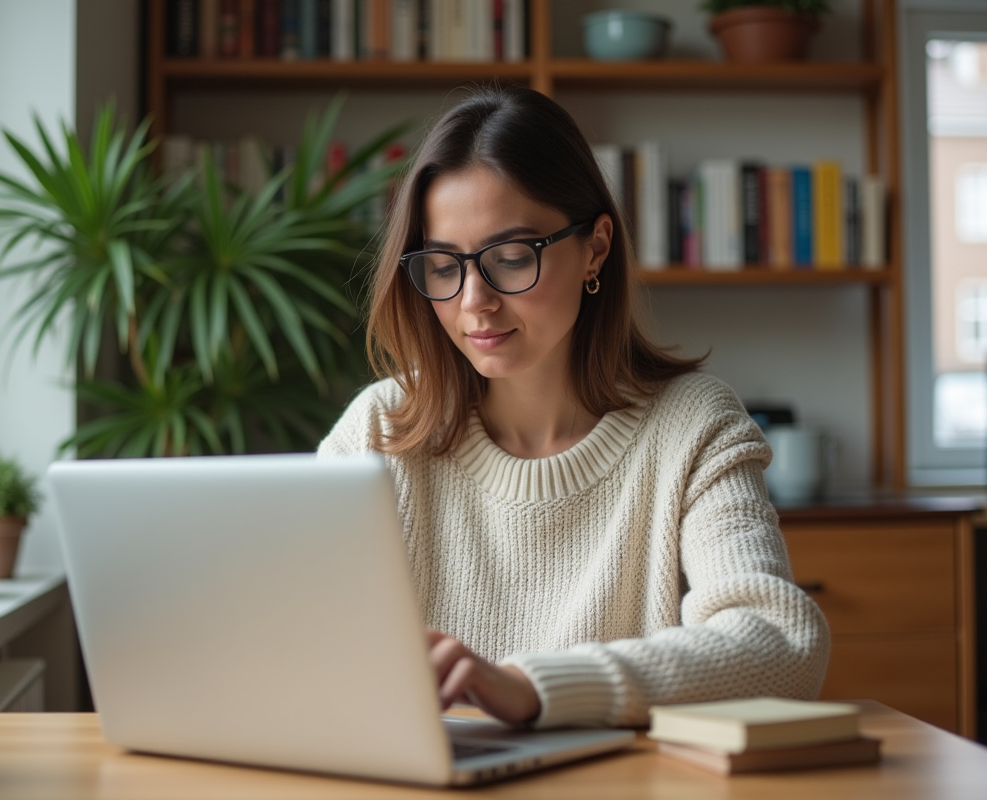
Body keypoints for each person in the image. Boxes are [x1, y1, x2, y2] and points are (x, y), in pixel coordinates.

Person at [317, 85, 829, 729]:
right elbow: (285, 636)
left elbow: (780, 645)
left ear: (595, 246)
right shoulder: (381, 427)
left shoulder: (694, 425)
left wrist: (533, 688)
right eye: (444, 265)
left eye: (509, 258)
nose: (474, 300)